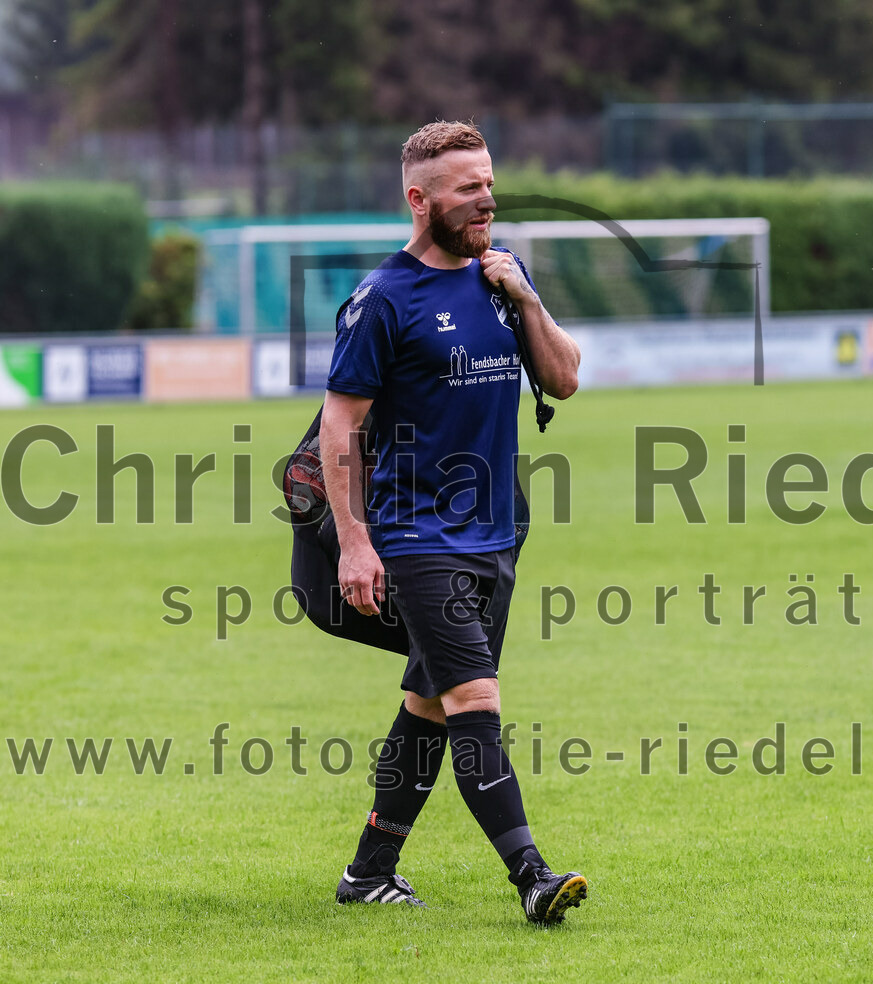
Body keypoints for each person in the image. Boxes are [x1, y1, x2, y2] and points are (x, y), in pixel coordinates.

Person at [319, 120, 585, 924]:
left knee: (430, 704)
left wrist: (525, 295)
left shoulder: (502, 282)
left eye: (489, 183)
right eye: (468, 188)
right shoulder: (382, 300)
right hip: (416, 537)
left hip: (499, 534)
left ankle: (369, 872)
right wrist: (357, 544)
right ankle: (532, 876)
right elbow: (341, 428)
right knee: (475, 698)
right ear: (419, 199)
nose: (487, 200)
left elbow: (565, 379)